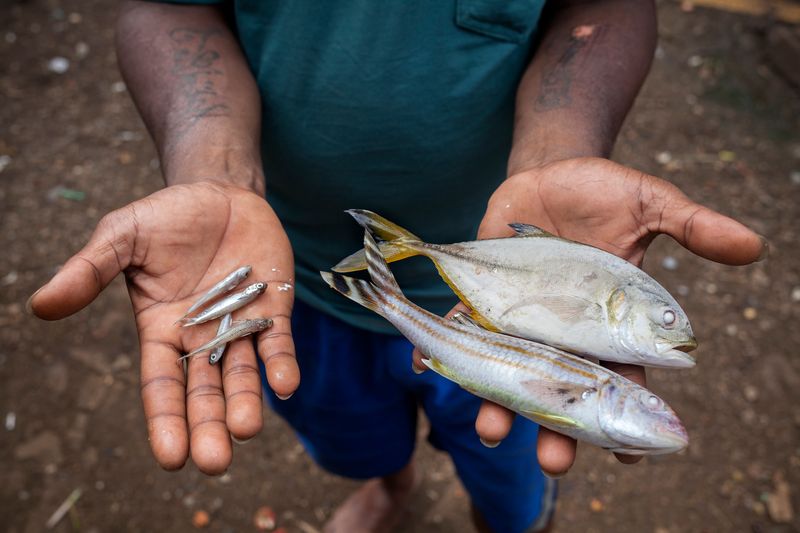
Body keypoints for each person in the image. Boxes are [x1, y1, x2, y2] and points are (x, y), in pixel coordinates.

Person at [28, 1, 765, 532]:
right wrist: (212, 170)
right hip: (287, 279)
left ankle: (499, 518)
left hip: (483, 273)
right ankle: (394, 483)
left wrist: (560, 153)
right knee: (355, 436)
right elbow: (166, 9)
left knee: (508, 472)